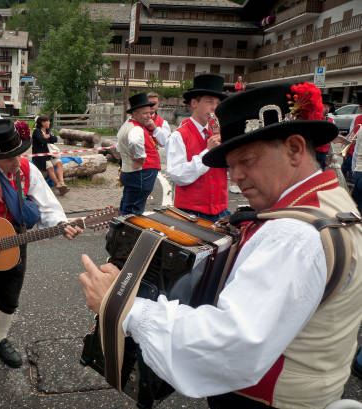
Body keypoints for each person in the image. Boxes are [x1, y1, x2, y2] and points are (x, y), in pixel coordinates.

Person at [79, 82, 362, 408]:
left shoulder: (293, 235)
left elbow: (230, 347)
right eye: (231, 164)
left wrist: (124, 305)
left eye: (247, 159)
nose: (236, 176)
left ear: (296, 148)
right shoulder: (331, 199)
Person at [0, 119, 82, 392]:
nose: (16, 161)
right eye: (9, 157)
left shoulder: (25, 168)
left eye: (18, 153)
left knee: (10, 299)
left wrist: (61, 224)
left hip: (17, 242)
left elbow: (48, 205)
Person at [166, 74, 229, 222]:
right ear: (194, 103)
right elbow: (178, 176)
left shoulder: (221, 132)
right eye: (209, 102)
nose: (214, 108)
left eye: (217, 103)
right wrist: (207, 152)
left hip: (221, 210)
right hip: (190, 212)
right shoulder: (179, 136)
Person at [116, 93, 168, 215]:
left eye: (149, 113)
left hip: (132, 172)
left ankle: (118, 230)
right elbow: (134, 141)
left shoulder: (128, 125)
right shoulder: (136, 128)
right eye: (145, 113)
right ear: (135, 113)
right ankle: (126, 232)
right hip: (141, 173)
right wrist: (140, 158)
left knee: (127, 206)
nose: (149, 116)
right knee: (134, 211)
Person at [32, 114, 69, 195]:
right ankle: (58, 185)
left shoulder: (48, 131)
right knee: (50, 167)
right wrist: (47, 138)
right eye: (47, 121)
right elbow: (41, 141)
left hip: (50, 154)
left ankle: (62, 183)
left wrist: (46, 137)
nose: (49, 122)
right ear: (42, 122)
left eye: (49, 121)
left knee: (59, 162)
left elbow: (55, 139)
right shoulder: (36, 131)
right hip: (40, 156)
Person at [349, 90, 362, 214]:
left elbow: (350, 140)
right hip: (358, 168)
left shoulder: (358, 121)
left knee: (356, 206)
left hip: (358, 169)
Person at [315, 93, 334, 170]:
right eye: (325, 106)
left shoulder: (331, 120)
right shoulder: (314, 118)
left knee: (322, 170)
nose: (327, 109)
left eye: (328, 107)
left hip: (325, 151)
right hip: (314, 150)